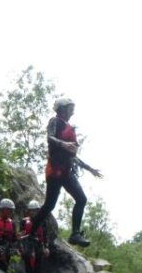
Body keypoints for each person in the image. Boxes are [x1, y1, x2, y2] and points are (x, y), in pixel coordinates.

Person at [30, 98, 102, 247]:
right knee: (49, 205)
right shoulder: (55, 121)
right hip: (55, 171)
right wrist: (64, 144)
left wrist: (90, 169)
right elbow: (50, 138)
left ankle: (75, 234)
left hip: (67, 172)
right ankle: (31, 232)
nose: (72, 112)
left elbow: (73, 156)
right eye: (70, 108)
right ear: (62, 109)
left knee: (81, 199)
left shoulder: (69, 127)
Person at [19, 199, 50, 273]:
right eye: (31, 210)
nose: (33, 212)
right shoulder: (24, 221)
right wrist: (21, 248)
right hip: (27, 246)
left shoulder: (43, 221)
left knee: (38, 268)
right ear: (28, 211)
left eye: (35, 210)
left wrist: (46, 247)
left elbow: (45, 235)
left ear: (38, 211)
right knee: (28, 269)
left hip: (39, 246)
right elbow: (20, 236)